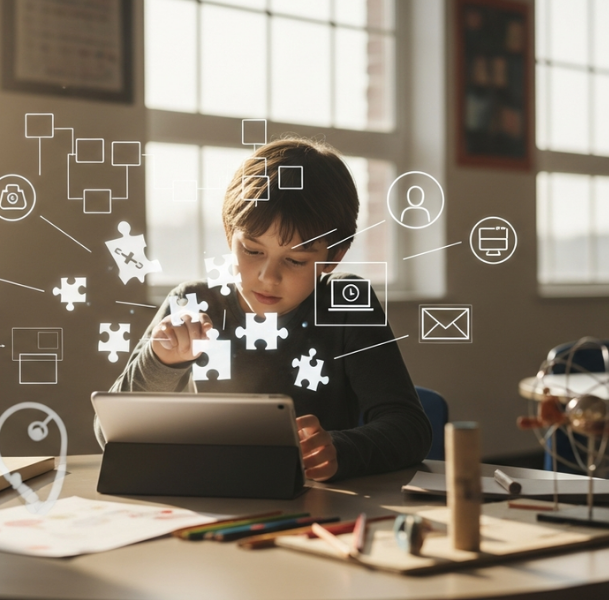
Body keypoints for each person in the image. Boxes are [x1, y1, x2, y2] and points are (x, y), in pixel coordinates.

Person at [96, 137, 431, 481]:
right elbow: (109, 433)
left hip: (320, 506)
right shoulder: (194, 303)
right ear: (230, 234)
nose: (268, 277)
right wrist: (162, 362)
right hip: (207, 497)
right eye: (253, 251)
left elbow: (411, 430)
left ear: (333, 257)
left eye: (296, 260)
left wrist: (339, 449)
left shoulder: (346, 304)